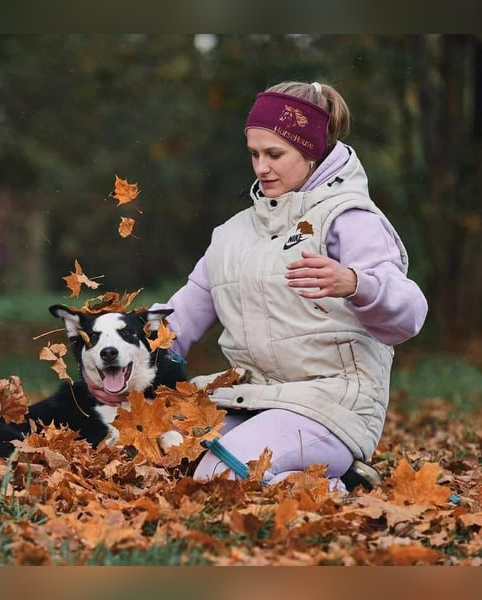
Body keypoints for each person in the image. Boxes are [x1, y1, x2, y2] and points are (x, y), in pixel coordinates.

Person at [147, 80, 428, 491]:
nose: (262, 167)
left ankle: (344, 489)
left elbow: (410, 315)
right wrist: (123, 346)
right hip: (250, 399)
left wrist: (355, 284)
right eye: (254, 154)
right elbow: (178, 323)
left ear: (311, 150)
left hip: (329, 406)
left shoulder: (349, 219)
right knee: (154, 442)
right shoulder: (232, 234)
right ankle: (330, 475)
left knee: (222, 478)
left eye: (275, 154)